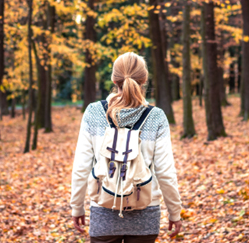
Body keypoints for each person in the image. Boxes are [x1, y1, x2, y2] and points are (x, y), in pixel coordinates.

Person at [70, 52, 183, 243]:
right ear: (144, 79)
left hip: (103, 210)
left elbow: (81, 167)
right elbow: (165, 172)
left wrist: (77, 207)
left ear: (115, 80)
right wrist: (175, 212)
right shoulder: (156, 117)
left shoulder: (93, 112)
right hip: (145, 212)